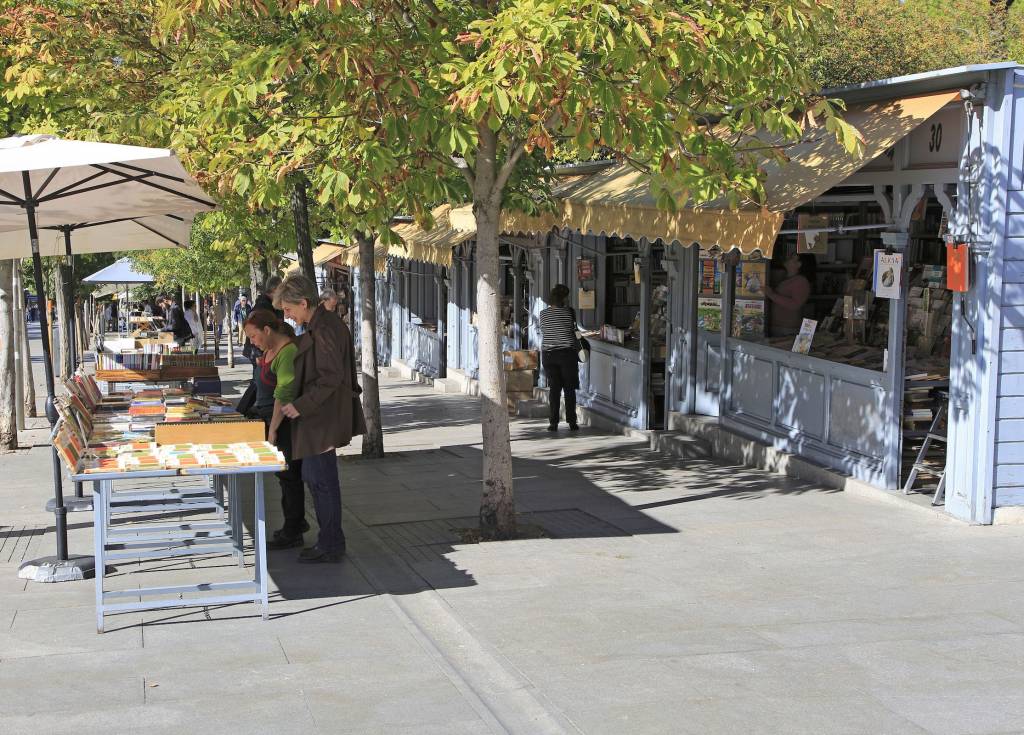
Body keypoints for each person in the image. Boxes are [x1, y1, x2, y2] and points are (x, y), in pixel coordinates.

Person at [276, 273, 365, 563]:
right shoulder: (320, 325)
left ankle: (331, 542)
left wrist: (300, 405)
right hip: (321, 415)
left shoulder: (325, 328)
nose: (287, 315)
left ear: (303, 303)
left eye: (289, 309)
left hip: (323, 417)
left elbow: (330, 378)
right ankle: (330, 540)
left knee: (320, 480)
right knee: (317, 478)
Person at [243, 309, 308, 549]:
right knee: (284, 477)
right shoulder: (269, 350)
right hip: (269, 419)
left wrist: (273, 430)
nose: (252, 342)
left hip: (283, 423)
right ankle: (294, 524)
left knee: (289, 475)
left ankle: (294, 529)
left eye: (253, 336)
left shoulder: (287, 351)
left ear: (267, 330)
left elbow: (284, 394)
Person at [538, 284, 580, 432]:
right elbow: (574, 331)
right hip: (567, 354)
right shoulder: (570, 312)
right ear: (564, 299)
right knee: (569, 389)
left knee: (554, 389)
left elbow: (543, 330)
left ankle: (553, 423)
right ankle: (572, 422)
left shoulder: (543, 314)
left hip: (549, 355)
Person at [765, 253, 815, 337]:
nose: (787, 258)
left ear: (798, 264)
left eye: (792, 258)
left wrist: (771, 294)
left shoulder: (801, 281)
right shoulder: (787, 278)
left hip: (787, 329)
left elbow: (795, 304)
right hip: (779, 327)